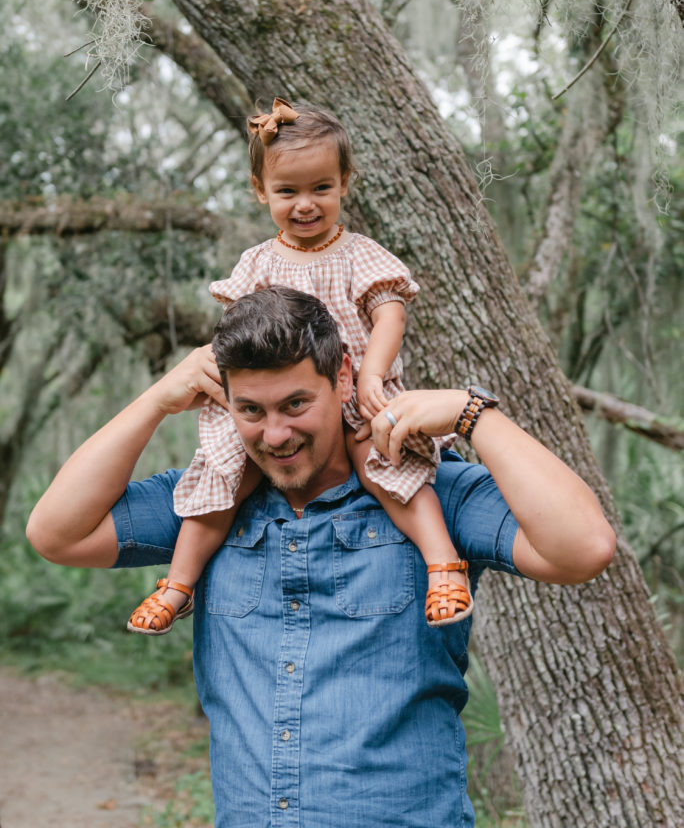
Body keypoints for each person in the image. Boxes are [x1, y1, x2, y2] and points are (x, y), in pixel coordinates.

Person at [27, 285, 616, 828]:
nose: (275, 435)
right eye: (250, 410)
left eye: (295, 404)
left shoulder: (429, 492)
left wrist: (473, 415)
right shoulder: (204, 506)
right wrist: (157, 399)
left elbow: (582, 548)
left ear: (342, 376)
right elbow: (58, 534)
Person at [127, 98, 471, 636]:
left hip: (354, 395)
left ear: (344, 183)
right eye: (287, 191)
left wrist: (371, 377)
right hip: (278, 404)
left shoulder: (359, 254)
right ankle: (178, 583)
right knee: (222, 475)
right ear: (260, 191)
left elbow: (389, 316)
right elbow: (235, 336)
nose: (305, 205)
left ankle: (442, 564)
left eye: (321, 189)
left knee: (385, 465)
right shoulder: (258, 263)